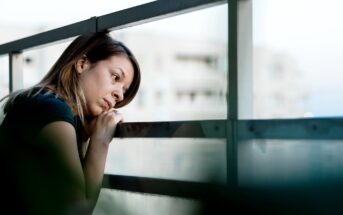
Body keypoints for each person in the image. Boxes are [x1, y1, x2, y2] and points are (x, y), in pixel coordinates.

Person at [0, 30, 141, 215]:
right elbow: (79, 210)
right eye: (115, 77)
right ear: (82, 64)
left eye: (124, 90)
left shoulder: (43, 102)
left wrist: (84, 135)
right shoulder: (50, 109)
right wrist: (101, 141)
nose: (120, 95)